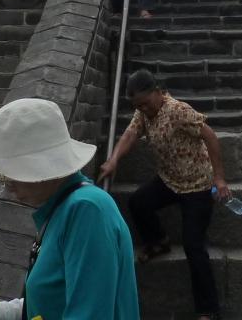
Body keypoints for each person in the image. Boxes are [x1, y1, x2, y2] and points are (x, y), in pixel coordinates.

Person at [0, 98, 140, 320]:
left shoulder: (86, 210)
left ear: (41, 165)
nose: (8, 186)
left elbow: (88, 314)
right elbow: (52, 302)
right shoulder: (63, 209)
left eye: (12, 174)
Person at [98, 70, 230, 320]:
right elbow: (130, 134)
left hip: (197, 186)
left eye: (146, 103)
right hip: (169, 181)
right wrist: (113, 160)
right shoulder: (143, 112)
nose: (143, 109)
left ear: (158, 92)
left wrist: (219, 178)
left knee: (193, 246)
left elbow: (210, 136)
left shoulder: (178, 111)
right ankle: (159, 241)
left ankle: (209, 310)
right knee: (138, 203)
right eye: (138, 106)